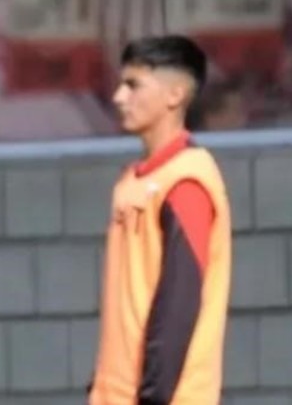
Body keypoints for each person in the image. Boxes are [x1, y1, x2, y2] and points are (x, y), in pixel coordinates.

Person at [88, 35, 232, 405]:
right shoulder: (132, 181)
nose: (119, 97)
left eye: (133, 85)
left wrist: (152, 397)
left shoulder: (186, 183)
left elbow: (177, 306)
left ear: (175, 95)